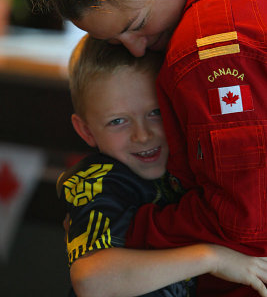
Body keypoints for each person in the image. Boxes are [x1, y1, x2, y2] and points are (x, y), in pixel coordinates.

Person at [43, 0, 267, 296]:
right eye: (112, 40)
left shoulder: (204, 51)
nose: (135, 50)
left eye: (138, 25)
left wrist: (137, 227)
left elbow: (246, 221)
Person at [57, 34, 267, 297]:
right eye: (117, 121)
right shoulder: (100, 181)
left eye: (155, 112)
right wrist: (213, 258)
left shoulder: (188, 167)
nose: (142, 135)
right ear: (86, 131)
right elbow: (92, 282)